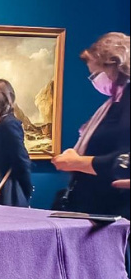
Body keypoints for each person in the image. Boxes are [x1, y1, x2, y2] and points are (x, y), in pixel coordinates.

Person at [51, 33, 130, 219]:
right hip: (99, 208)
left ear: (114, 65)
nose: (94, 80)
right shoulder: (115, 103)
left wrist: (77, 162)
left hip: (113, 210)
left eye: (95, 74)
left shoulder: (126, 100)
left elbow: (124, 159)